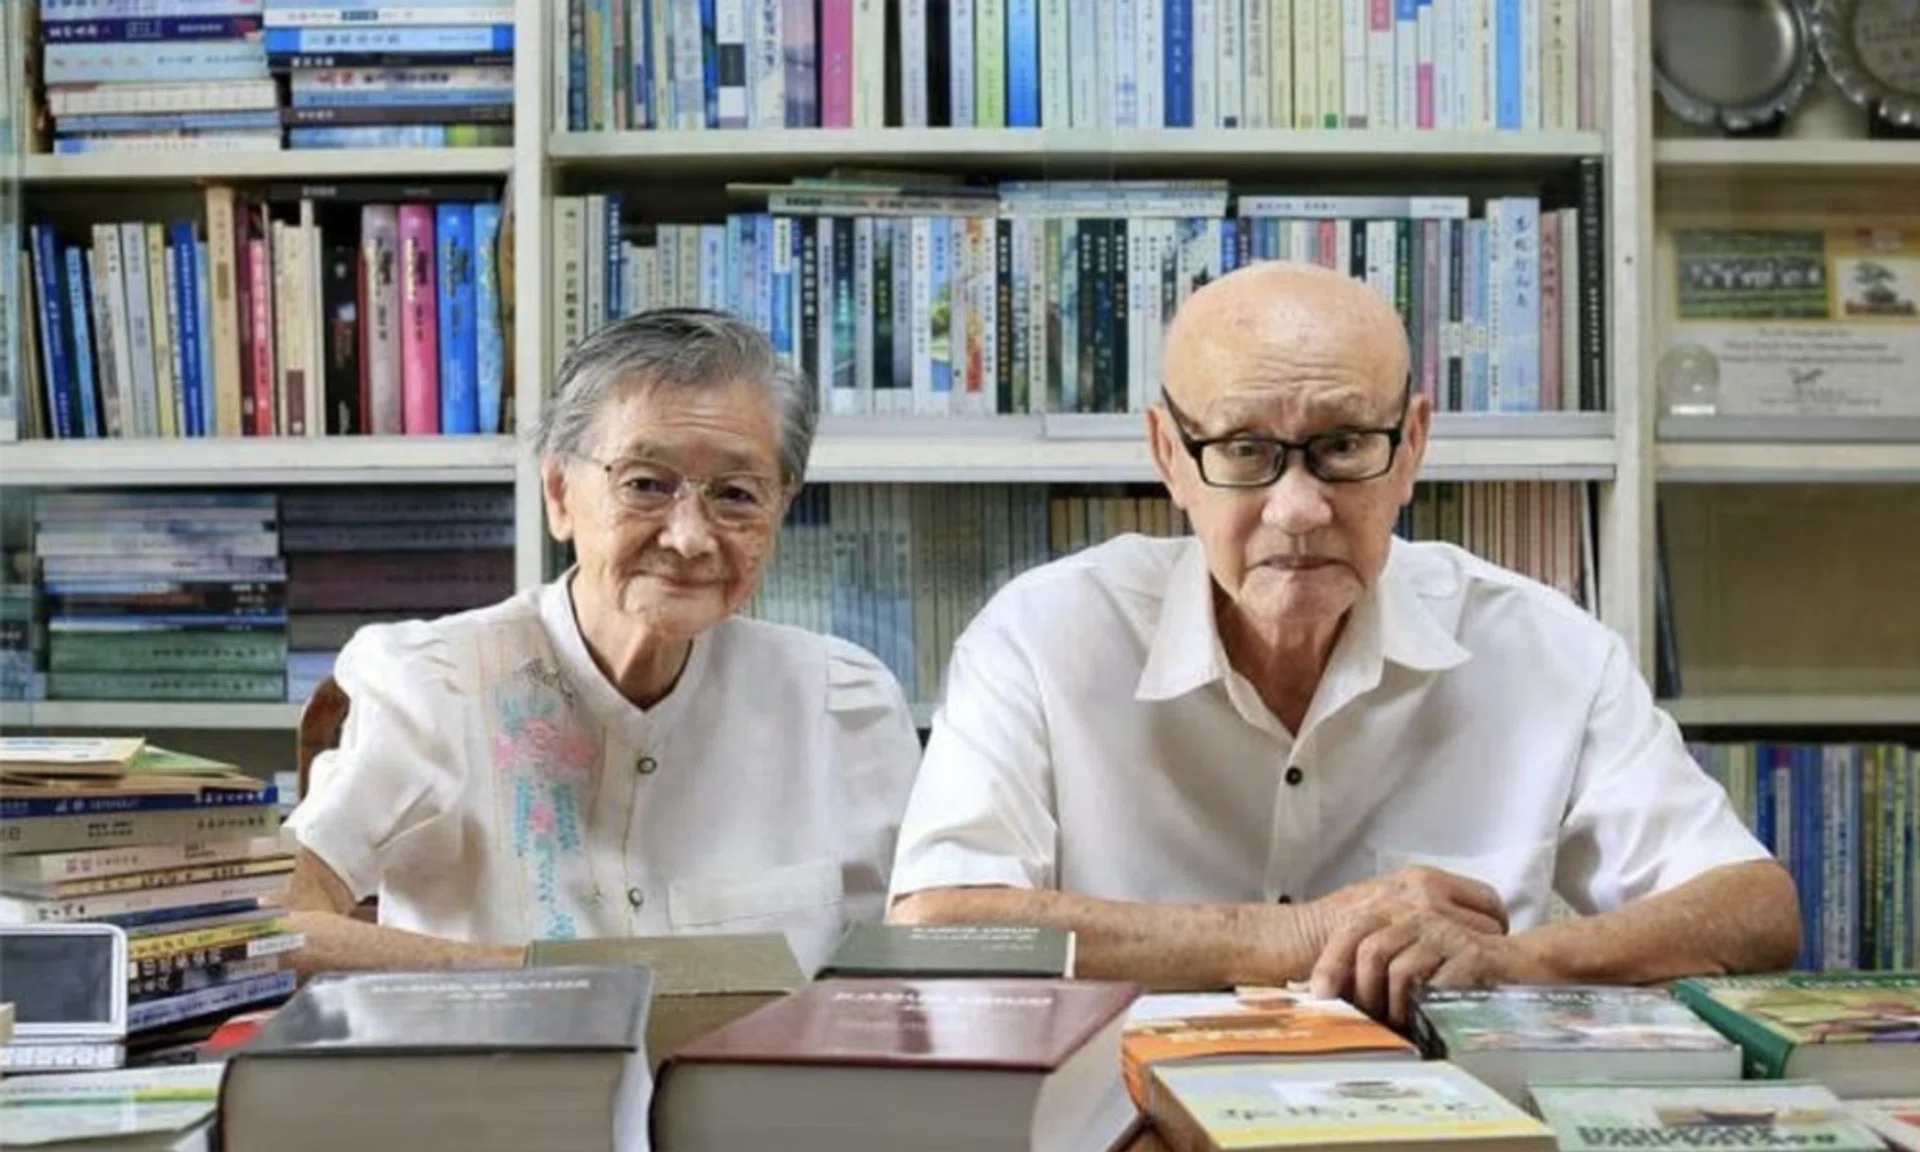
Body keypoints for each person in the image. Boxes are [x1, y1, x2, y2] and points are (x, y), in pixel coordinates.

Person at [887, 261, 1800, 1027]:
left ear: (1412, 448)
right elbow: (939, 927)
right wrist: (1298, 935)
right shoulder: (1045, 635)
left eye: (1344, 445)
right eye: (1244, 449)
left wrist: (1511, 962)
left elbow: (1753, 907)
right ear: (1169, 455)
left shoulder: (1544, 647)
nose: (1298, 509)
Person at [283, 308, 921, 977]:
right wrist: (558, 985)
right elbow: (276, 930)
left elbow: (912, 973)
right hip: (508, 1079)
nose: (690, 537)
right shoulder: (438, 686)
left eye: (736, 494)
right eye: (646, 484)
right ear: (559, 493)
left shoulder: (842, 703)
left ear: (779, 511)